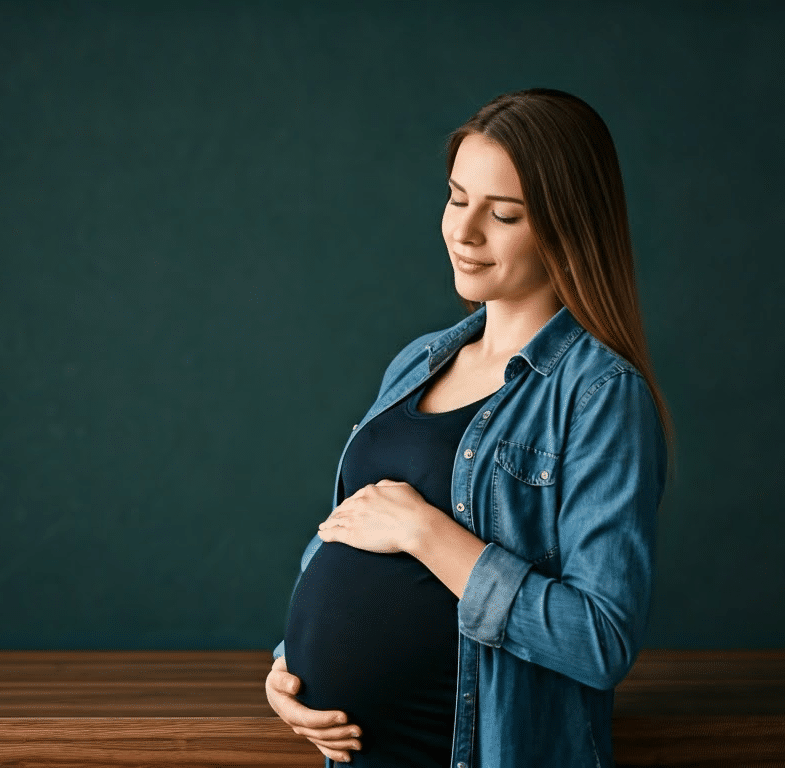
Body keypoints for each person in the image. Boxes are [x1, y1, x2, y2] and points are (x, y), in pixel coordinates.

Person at [264, 88, 674, 767]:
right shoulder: (417, 362)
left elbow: (600, 641)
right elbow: (345, 531)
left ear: (567, 226)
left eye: (504, 214)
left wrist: (427, 534)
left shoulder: (601, 396)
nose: (465, 231)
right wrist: (289, 667)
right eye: (458, 199)